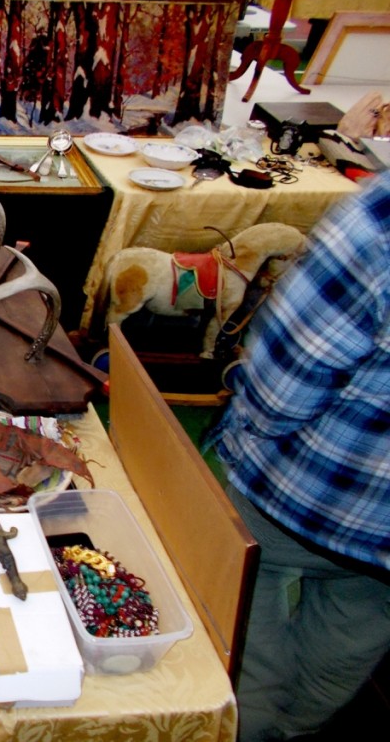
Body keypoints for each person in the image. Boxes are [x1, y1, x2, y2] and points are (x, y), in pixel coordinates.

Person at [207, 169, 390, 741]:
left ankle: (245, 730)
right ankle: (292, 733)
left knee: (245, 655)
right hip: (381, 544)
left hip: (292, 500)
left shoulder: (381, 223)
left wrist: (245, 401)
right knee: (343, 646)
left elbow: (279, 394)